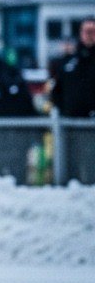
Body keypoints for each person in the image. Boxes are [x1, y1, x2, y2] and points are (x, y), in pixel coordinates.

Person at [51, 17, 95, 184]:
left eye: (93, 31)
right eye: (87, 31)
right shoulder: (69, 62)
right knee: (72, 164)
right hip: (71, 124)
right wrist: (62, 111)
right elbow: (57, 90)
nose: (90, 35)